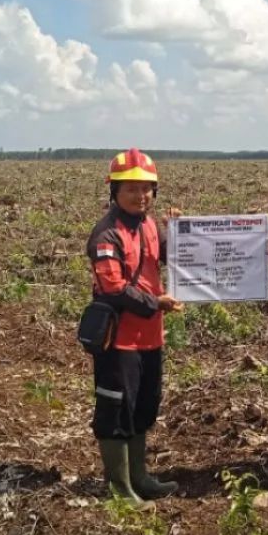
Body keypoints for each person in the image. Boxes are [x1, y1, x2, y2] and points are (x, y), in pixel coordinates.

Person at [86, 148, 184, 508]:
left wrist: (179, 232)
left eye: (146, 189)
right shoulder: (106, 234)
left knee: (144, 406)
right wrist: (155, 303)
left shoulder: (149, 225)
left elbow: (166, 257)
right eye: (131, 189)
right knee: (116, 410)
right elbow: (113, 287)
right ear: (114, 191)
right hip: (118, 340)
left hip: (150, 337)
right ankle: (120, 488)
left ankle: (140, 477)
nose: (140, 196)